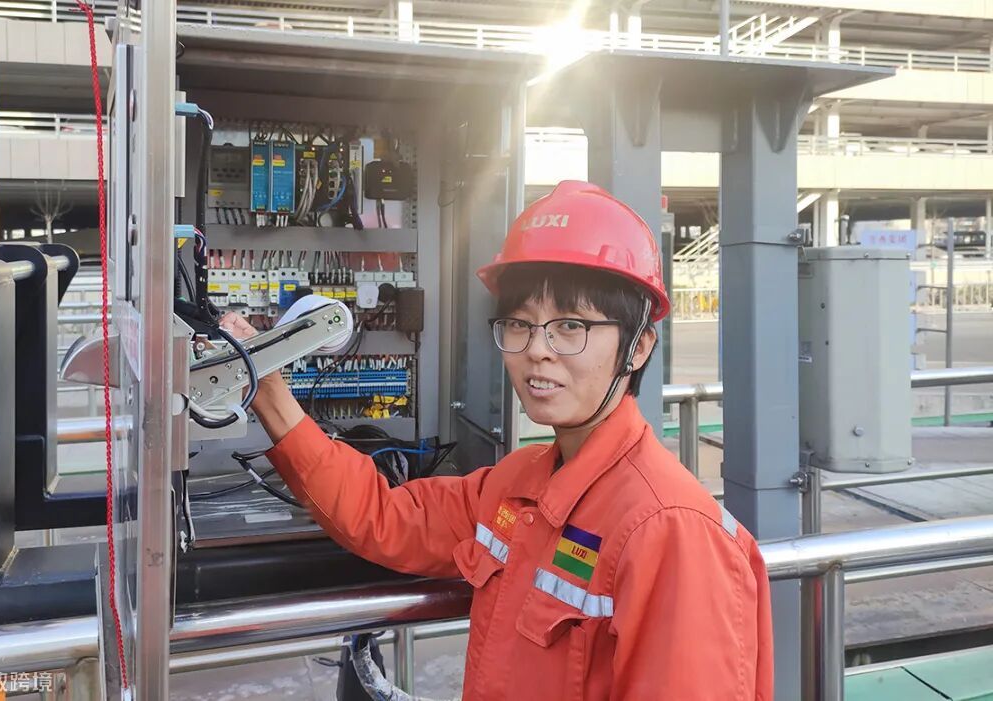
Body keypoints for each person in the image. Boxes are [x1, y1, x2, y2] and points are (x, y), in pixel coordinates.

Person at [223, 180, 773, 700]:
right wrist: (268, 390)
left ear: (639, 347)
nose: (537, 350)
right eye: (519, 323)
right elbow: (383, 517)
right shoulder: (518, 485)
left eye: (570, 325)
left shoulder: (671, 531)